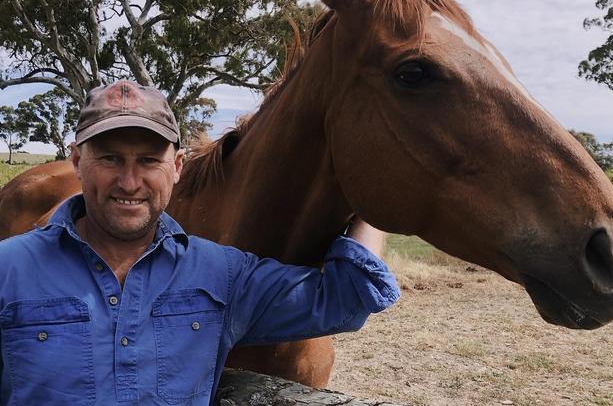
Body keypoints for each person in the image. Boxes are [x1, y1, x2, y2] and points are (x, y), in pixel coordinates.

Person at [0, 80, 399, 405]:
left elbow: (348, 296)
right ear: (76, 162)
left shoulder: (221, 274)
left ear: (176, 167)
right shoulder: (8, 268)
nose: (129, 182)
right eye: (109, 158)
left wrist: (369, 199)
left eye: (149, 160)